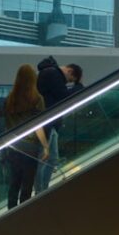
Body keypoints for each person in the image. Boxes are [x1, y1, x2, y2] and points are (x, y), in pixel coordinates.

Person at [4, 64, 51, 208]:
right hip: (30, 147)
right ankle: (23, 216)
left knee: (14, 184)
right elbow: (38, 125)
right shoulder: (37, 99)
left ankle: (10, 216)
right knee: (27, 186)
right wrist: (45, 146)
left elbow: (7, 125)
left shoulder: (9, 100)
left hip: (13, 146)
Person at [34, 56, 78, 194]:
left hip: (49, 124)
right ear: (70, 71)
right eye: (70, 80)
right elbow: (63, 96)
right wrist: (78, 87)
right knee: (45, 158)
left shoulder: (49, 73)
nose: (67, 83)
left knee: (51, 158)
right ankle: (40, 191)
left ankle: (42, 191)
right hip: (47, 123)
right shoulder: (53, 74)